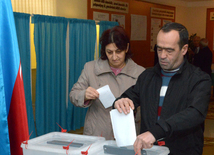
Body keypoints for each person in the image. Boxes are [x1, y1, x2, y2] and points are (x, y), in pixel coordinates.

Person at [113, 22, 211, 155]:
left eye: (169, 50)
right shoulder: (147, 76)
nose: (162, 55)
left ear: (184, 49)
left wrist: (156, 132)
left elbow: (194, 113)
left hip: (183, 150)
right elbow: (132, 95)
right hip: (149, 150)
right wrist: (121, 101)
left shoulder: (199, 79)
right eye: (159, 49)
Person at [69, 26, 145, 140]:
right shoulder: (90, 68)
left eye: (118, 51)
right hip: (97, 132)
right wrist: (84, 94)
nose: (114, 57)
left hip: (127, 135)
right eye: (109, 52)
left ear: (127, 48)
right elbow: (73, 94)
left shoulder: (140, 73)